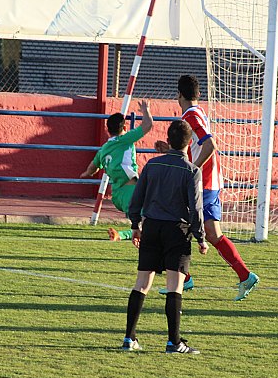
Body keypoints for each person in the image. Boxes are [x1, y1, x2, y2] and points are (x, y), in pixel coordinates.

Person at [155, 75, 259, 301]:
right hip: (209, 182)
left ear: (179, 95)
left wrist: (193, 168)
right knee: (211, 233)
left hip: (201, 183)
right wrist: (170, 150)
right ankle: (244, 276)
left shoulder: (190, 116)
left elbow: (210, 144)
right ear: (198, 94)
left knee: (172, 227)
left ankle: (185, 278)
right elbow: (196, 146)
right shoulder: (198, 112)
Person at [122, 119, 208, 354]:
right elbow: (196, 208)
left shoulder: (151, 166)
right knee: (175, 286)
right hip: (177, 231)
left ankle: (129, 339)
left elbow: (136, 199)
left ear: (168, 141)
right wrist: (200, 237)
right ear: (189, 144)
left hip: (151, 227)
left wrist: (135, 224)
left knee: (141, 283)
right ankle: (174, 342)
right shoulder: (192, 171)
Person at [79, 100, 153, 241]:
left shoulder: (104, 148)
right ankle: (122, 235)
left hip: (117, 194)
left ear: (108, 130)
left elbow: (93, 167)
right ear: (124, 127)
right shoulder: (124, 139)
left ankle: (122, 235)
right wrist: (145, 110)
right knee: (149, 223)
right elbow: (147, 125)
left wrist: (86, 174)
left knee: (147, 224)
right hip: (130, 190)